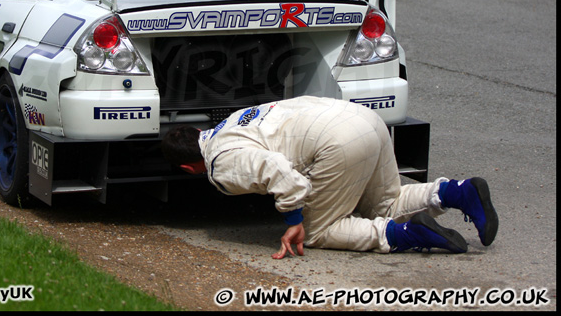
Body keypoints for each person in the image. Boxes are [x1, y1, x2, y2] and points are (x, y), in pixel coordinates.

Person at [161, 96, 499, 259]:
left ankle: (407, 233)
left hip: (337, 142)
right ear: (199, 131)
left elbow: (279, 172)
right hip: (366, 119)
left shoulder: (219, 163)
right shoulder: (236, 118)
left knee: (318, 230)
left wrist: (294, 219)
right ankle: (459, 192)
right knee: (386, 202)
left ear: (189, 168)